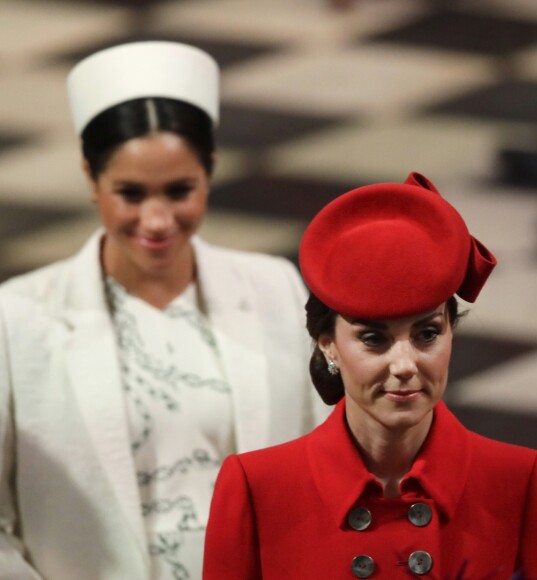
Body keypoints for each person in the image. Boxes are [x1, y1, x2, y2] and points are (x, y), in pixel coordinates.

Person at [0, 41, 327, 580]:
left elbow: (329, 469)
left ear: (210, 172)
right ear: (91, 179)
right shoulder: (18, 318)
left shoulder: (276, 288)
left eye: (180, 191)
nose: (157, 220)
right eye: (130, 193)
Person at [203, 172, 537, 579]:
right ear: (327, 344)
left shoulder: (518, 481)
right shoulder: (258, 489)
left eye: (427, 334)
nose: (406, 364)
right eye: (374, 339)